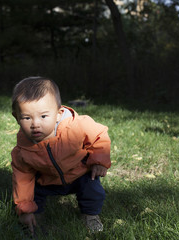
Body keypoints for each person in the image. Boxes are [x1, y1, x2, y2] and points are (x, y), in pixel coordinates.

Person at [11, 77, 111, 235]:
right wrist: (24, 208)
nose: (35, 124)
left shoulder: (76, 126)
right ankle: (34, 218)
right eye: (27, 118)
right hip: (47, 180)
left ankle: (90, 215)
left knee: (92, 190)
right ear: (16, 117)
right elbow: (22, 178)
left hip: (79, 173)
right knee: (33, 193)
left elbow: (99, 135)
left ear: (58, 114)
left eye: (43, 116)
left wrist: (99, 161)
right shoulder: (23, 149)